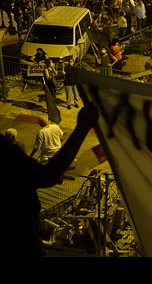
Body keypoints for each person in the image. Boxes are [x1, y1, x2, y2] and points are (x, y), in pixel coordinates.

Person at [0, 103, 99, 258]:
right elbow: (46, 175)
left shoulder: (36, 136)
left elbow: (45, 172)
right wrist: (82, 128)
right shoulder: (9, 153)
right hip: (20, 237)